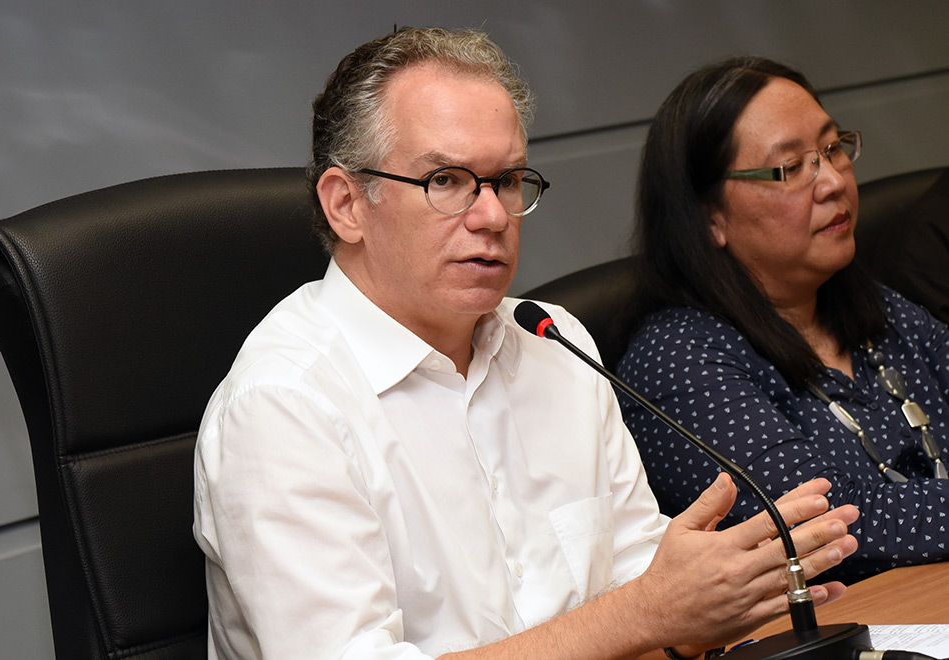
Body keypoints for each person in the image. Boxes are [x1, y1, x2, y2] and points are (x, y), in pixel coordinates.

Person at [193, 32, 858, 660]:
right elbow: (636, 611)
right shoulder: (282, 405)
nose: (491, 216)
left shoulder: (556, 342)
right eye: (446, 181)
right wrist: (649, 613)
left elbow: (638, 578)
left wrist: (719, 604)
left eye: (507, 180)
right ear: (346, 205)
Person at [616, 56, 949, 585]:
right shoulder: (677, 361)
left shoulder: (872, 306)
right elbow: (821, 526)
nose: (834, 181)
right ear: (710, 219)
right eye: (791, 168)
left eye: (833, 148)